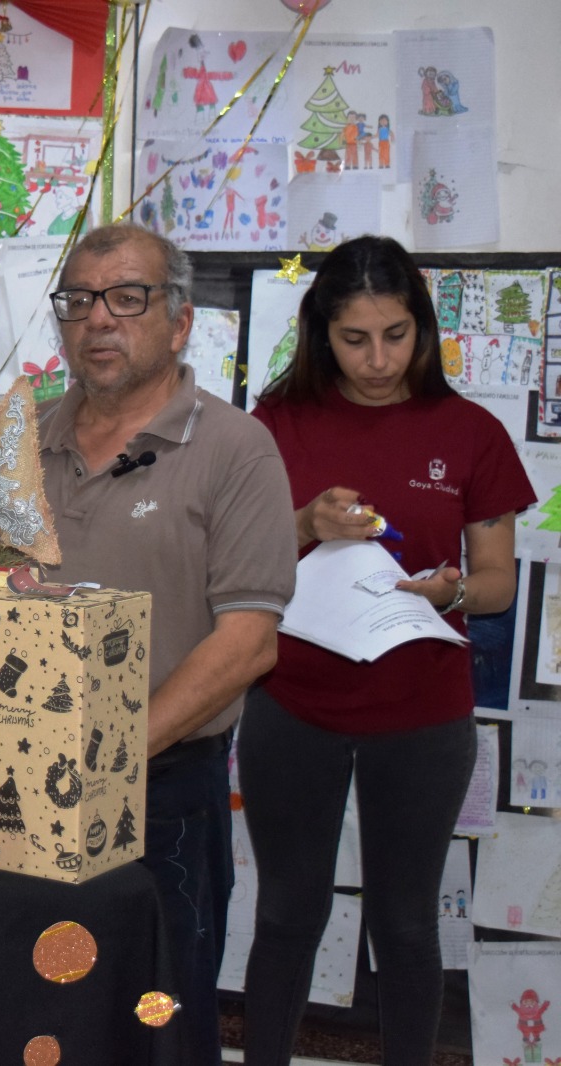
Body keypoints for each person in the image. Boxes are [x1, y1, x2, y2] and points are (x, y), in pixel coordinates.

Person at [240, 236, 534, 1064]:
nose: (377, 359)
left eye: (397, 335)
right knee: (287, 913)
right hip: (292, 704)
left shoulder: (471, 431)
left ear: (425, 329)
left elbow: (500, 584)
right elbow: (231, 562)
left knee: (405, 922)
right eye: (354, 339)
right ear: (320, 333)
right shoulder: (276, 423)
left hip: (422, 712)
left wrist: (451, 592)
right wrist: (303, 526)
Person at [35, 223, 297, 1062]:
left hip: (160, 792)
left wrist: (114, 754)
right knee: (33, 1014)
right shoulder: (22, 438)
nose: (98, 319)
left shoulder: (235, 449)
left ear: (179, 322)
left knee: (158, 1024)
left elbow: (250, 642)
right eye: (78, 300)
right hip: (22, 786)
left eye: (127, 297)